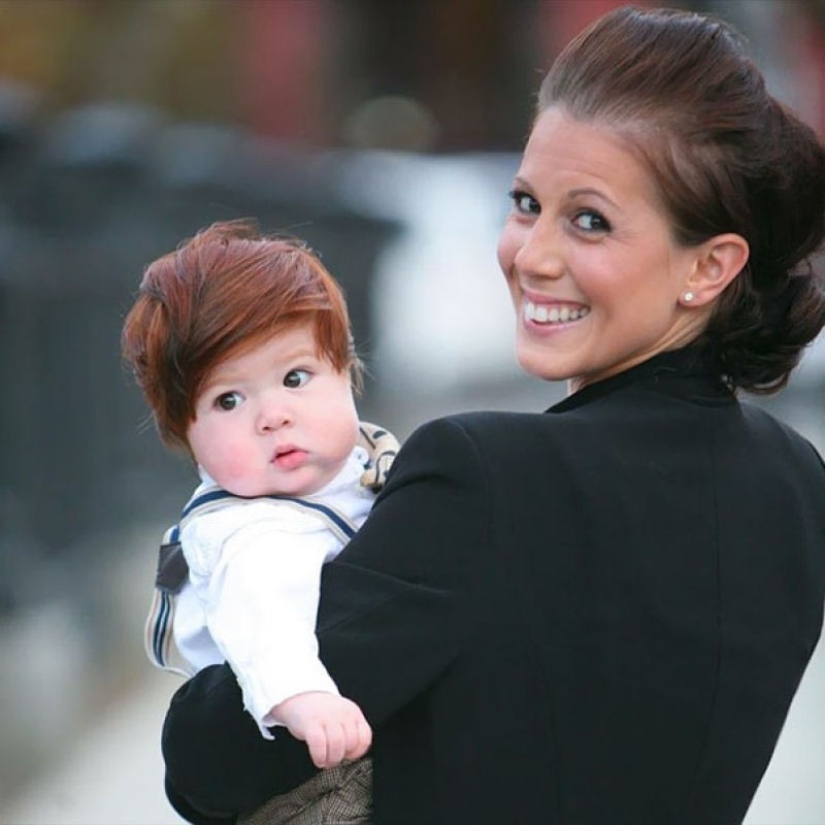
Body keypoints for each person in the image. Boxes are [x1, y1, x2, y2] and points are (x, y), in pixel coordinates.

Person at [160, 7, 825, 825]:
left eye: (589, 220)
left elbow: (209, 762)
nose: (531, 255)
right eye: (525, 202)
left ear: (710, 265)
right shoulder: (798, 485)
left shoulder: (481, 475)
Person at [121, 220, 399, 823]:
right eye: (229, 400)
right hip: (303, 764)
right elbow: (261, 616)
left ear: (346, 372)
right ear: (186, 436)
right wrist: (304, 699)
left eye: (295, 378)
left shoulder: (362, 466)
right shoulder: (251, 531)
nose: (273, 414)